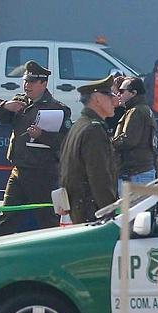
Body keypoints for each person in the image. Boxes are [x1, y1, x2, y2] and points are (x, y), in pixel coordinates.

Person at [0, 60, 72, 237]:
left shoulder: (57, 109)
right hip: (19, 171)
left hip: (43, 173)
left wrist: (42, 135)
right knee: (7, 218)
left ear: (44, 83)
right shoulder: (20, 103)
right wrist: (5, 105)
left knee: (47, 221)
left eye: (32, 82)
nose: (27, 86)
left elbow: (65, 143)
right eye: (26, 81)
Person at [60, 75, 118, 224]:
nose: (115, 100)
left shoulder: (80, 125)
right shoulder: (94, 130)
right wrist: (109, 212)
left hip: (80, 208)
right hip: (93, 212)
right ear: (97, 99)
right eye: (110, 95)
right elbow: (99, 176)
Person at [113, 77, 157, 190]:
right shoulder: (145, 109)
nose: (118, 94)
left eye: (122, 91)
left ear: (133, 93)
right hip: (143, 170)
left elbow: (128, 141)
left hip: (135, 174)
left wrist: (109, 141)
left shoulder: (136, 111)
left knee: (131, 208)